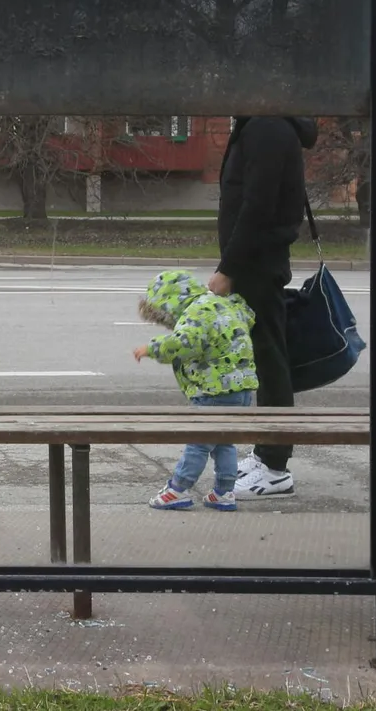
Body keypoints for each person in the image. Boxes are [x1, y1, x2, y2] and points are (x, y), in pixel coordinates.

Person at [209, 116, 318, 500]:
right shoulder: (260, 124)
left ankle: (275, 466)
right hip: (255, 261)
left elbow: (258, 206)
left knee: (270, 362)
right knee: (265, 360)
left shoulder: (267, 126)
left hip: (256, 263)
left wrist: (229, 268)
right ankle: (266, 452)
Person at [133, 269, 258, 512]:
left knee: (199, 441)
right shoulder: (220, 305)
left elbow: (183, 344)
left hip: (215, 390)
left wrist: (151, 348)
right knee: (224, 441)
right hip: (241, 388)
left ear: (171, 301)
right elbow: (245, 316)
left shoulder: (196, 313)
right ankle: (223, 492)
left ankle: (178, 489)